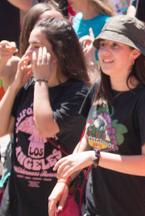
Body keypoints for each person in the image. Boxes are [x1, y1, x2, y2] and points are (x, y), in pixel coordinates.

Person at [49, 16, 145, 216]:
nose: (104, 52)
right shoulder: (98, 88)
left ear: (135, 53)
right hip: (97, 207)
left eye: (115, 45)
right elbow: (87, 138)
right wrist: (64, 181)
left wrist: (95, 157)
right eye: (102, 44)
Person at [0, 17, 89, 216]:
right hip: (16, 203)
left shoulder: (78, 93)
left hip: (53, 203)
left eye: (36, 46)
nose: (28, 52)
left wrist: (40, 79)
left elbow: (46, 128)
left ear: (57, 53)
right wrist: (15, 85)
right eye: (29, 45)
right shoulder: (28, 86)